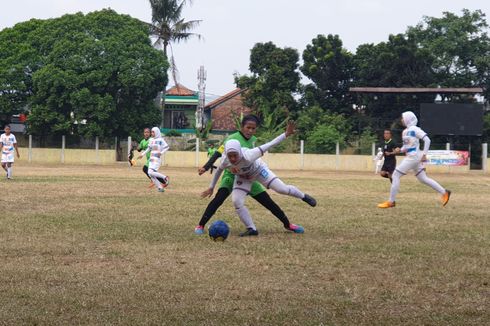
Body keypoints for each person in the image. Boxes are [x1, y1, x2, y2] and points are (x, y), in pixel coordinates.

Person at [195, 115, 305, 236]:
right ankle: (201, 225)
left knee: (267, 201)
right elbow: (219, 154)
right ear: (242, 127)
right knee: (219, 198)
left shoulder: (253, 140)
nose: (250, 131)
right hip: (230, 175)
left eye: (253, 128)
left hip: (248, 175)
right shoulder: (232, 139)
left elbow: (260, 152)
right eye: (248, 128)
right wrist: (206, 167)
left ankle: (288, 225)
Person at [378, 111, 451, 208]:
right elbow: (406, 147)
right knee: (423, 178)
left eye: (403, 118)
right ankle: (445, 192)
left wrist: (424, 154)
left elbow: (427, 140)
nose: (401, 119)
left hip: (413, 157)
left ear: (408, 119)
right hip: (414, 157)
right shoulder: (405, 131)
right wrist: (399, 150)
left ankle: (391, 202)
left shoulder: (415, 129)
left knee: (395, 175)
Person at [138, 127, 170, 192]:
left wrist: (161, 153)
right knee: (150, 174)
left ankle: (165, 177)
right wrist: (142, 154)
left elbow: (167, 147)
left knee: (150, 172)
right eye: (151, 132)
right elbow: (149, 149)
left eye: (153, 132)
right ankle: (160, 188)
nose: (152, 133)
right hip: (151, 158)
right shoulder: (151, 140)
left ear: (157, 132)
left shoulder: (161, 140)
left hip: (157, 159)